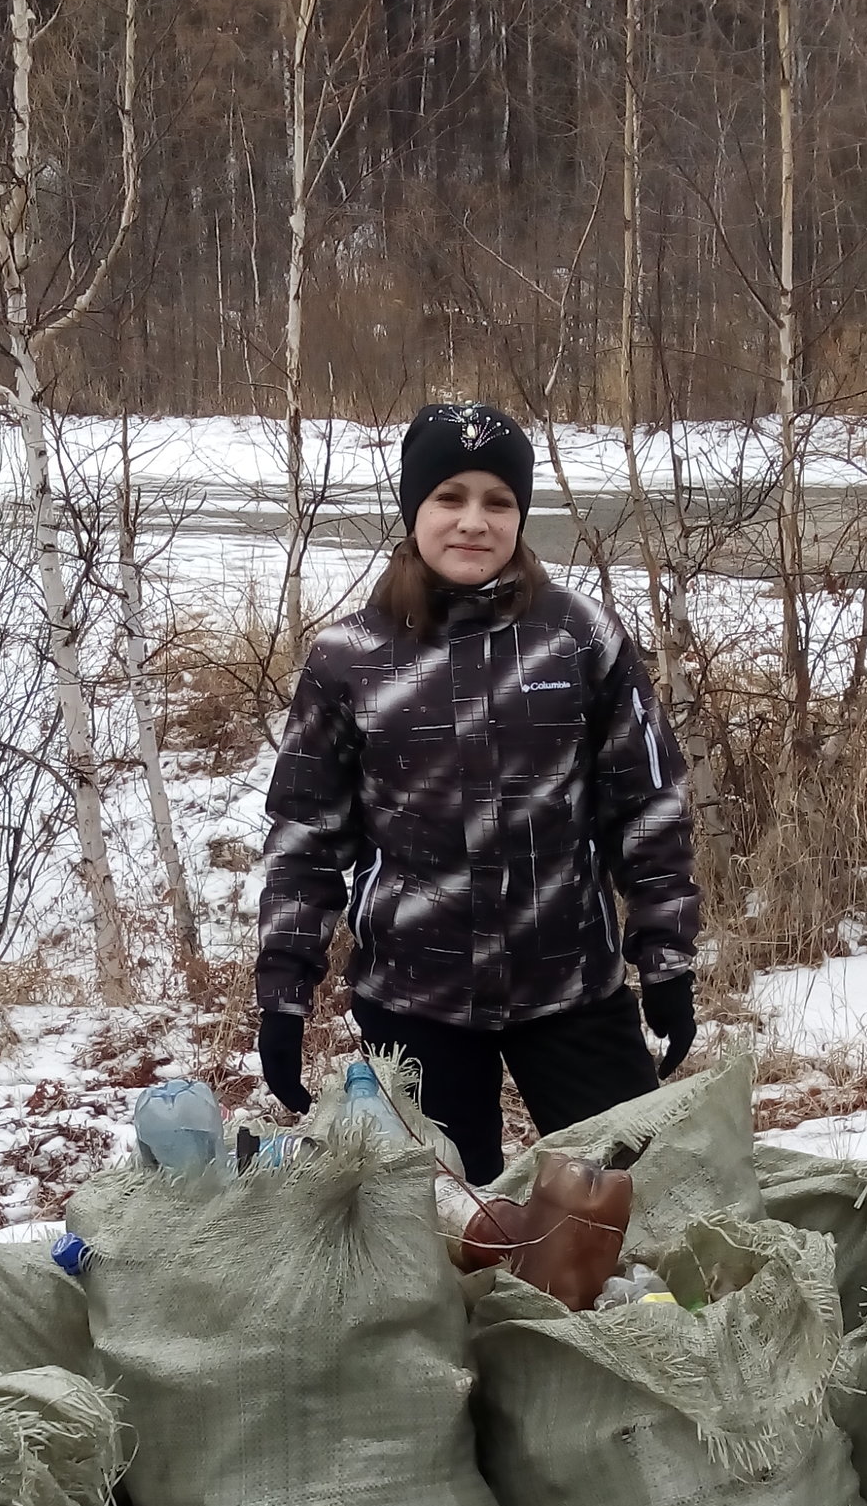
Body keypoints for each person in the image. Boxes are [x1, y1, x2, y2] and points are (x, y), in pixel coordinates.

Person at [254, 400, 699, 1186]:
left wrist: (664, 958)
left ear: (520, 516)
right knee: (439, 1230)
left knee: (638, 1205)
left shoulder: (581, 637)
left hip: (571, 990)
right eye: (449, 498)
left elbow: (647, 806)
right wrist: (286, 991)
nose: (473, 522)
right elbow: (307, 837)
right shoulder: (349, 659)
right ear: (413, 510)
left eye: (498, 502)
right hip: (412, 1000)